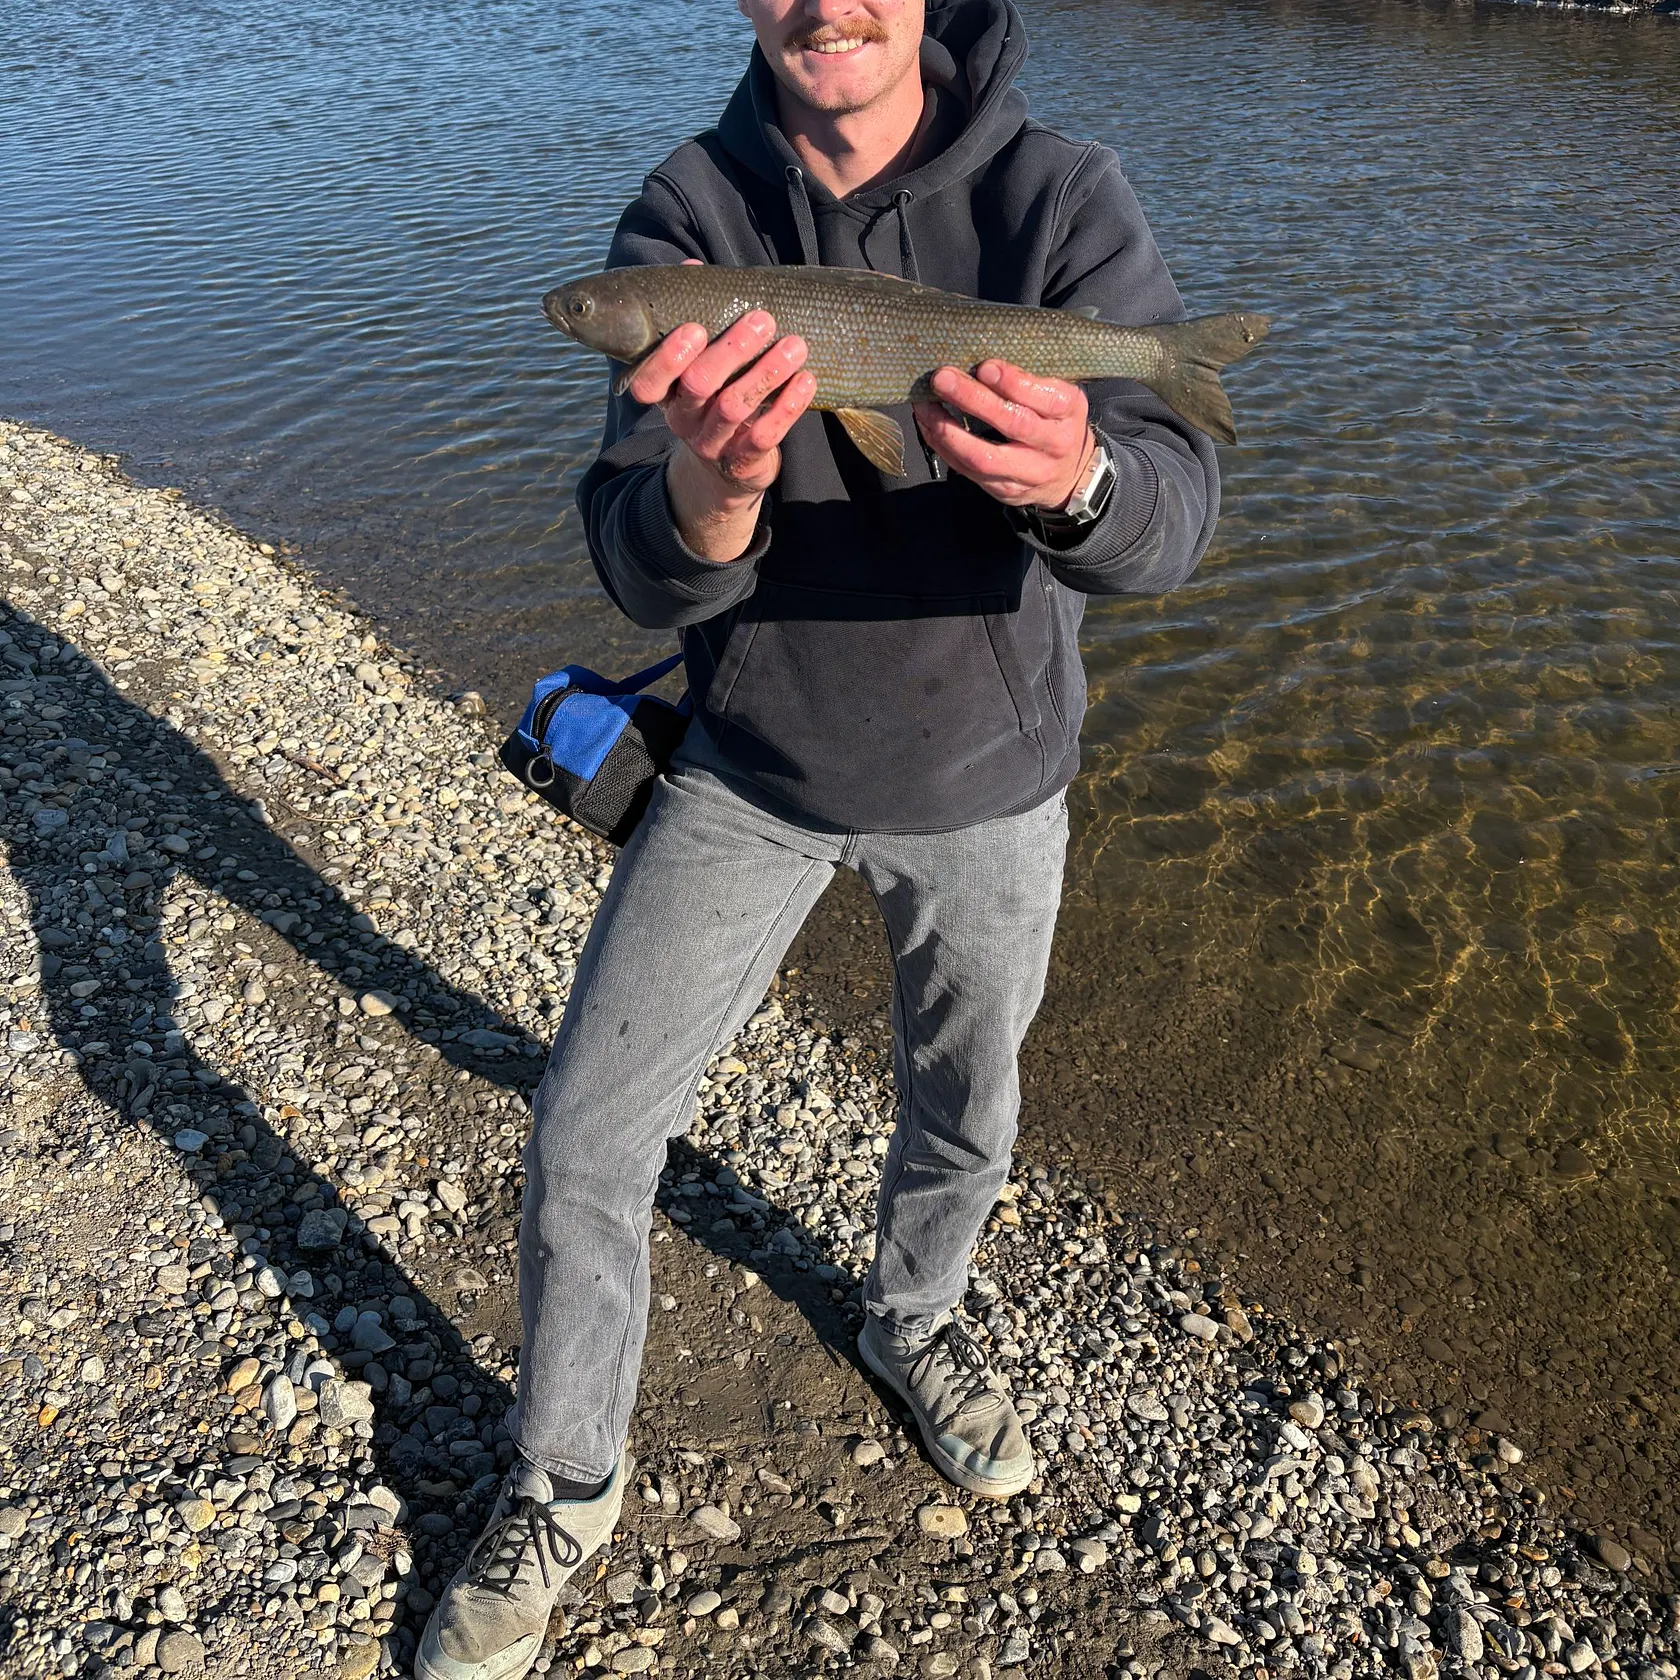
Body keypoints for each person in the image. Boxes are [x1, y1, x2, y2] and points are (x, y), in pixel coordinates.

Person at [416, 0, 1220, 1673]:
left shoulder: (1064, 199)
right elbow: (634, 560)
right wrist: (708, 499)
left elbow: (1168, 524)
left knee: (969, 1101)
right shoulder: (688, 221)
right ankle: (563, 1480)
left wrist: (1081, 480)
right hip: (749, 768)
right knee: (582, 1132)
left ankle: (913, 1321)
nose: (828, 2)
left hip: (990, 775)